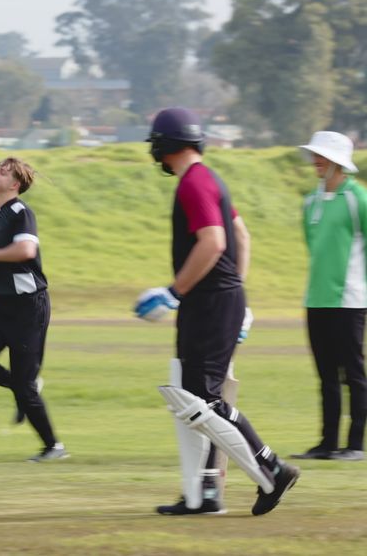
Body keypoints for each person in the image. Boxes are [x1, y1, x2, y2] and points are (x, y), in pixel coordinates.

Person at [136, 107, 299, 516]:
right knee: (196, 397)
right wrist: (237, 294)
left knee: (203, 402)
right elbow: (240, 233)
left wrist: (175, 291)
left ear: (164, 145)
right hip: (216, 302)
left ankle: (272, 468)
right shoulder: (209, 179)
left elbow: (214, 242)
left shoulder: (194, 184)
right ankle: (205, 493)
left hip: (209, 303)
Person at [0, 157, 67, 463]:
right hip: (0, 305)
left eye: (3, 172)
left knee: (25, 387)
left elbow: (26, 250)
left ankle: (53, 447)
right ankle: (22, 387)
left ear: (15, 184)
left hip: (28, 308)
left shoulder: (21, 212)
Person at [291, 131, 367, 462]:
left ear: (339, 162)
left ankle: (354, 446)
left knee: (353, 374)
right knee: (325, 375)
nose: (315, 161)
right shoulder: (309, 202)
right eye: (314, 155)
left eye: (322, 156)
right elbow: (314, 247)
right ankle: (327, 443)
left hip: (350, 301)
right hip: (316, 300)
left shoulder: (358, 199)